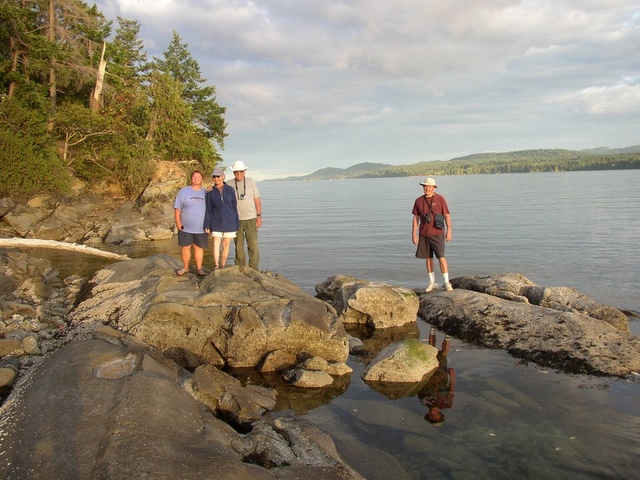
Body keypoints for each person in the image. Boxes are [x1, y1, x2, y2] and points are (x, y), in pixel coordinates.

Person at [412, 177, 453, 292]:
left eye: (429, 186)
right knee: (428, 258)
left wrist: (449, 230)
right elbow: (415, 218)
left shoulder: (440, 199)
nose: (427, 189)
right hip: (424, 234)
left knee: (441, 257)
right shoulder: (418, 201)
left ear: (433, 188)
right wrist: (414, 234)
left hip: (437, 233)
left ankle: (446, 282)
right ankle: (432, 282)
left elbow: (447, 215)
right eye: (425, 186)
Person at [417, 327, 456, 426]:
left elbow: (419, 386)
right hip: (441, 375)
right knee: (443, 354)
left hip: (429, 372)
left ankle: (432, 330)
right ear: (440, 415)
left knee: (432, 351)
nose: (434, 416)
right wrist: (452, 377)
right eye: (436, 417)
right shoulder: (446, 404)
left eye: (432, 417)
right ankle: (448, 335)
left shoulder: (424, 402)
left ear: (428, 415)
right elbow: (451, 390)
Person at [204, 166, 239, 269]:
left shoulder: (230, 190)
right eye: (214, 177)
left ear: (223, 176)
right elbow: (208, 209)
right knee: (216, 242)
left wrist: (237, 223)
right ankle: (216, 265)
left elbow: (234, 207)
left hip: (230, 221)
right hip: (216, 221)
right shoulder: (209, 191)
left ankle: (223, 265)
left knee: (226, 244)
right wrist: (207, 224)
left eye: (218, 176)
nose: (216, 179)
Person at [174, 170, 208, 276]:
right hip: (185, 226)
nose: (196, 178)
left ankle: (199, 268)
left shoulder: (206, 193)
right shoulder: (184, 191)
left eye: (198, 177)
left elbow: (212, 209)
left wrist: (209, 225)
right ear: (191, 179)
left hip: (201, 227)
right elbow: (177, 208)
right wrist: (178, 222)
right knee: (186, 247)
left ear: (202, 180)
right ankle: (185, 267)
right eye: (194, 177)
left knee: (198, 248)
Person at [229, 160, 262, 269]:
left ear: (244, 172)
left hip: (251, 218)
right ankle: (240, 267)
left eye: (241, 171)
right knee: (238, 245)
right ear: (233, 172)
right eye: (236, 172)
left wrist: (259, 216)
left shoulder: (251, 182)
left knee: (253, 244)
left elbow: (257, 199)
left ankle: (253, 268)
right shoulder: (229, 184)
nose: (238, 174)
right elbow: (218, 190)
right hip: (236, 219)